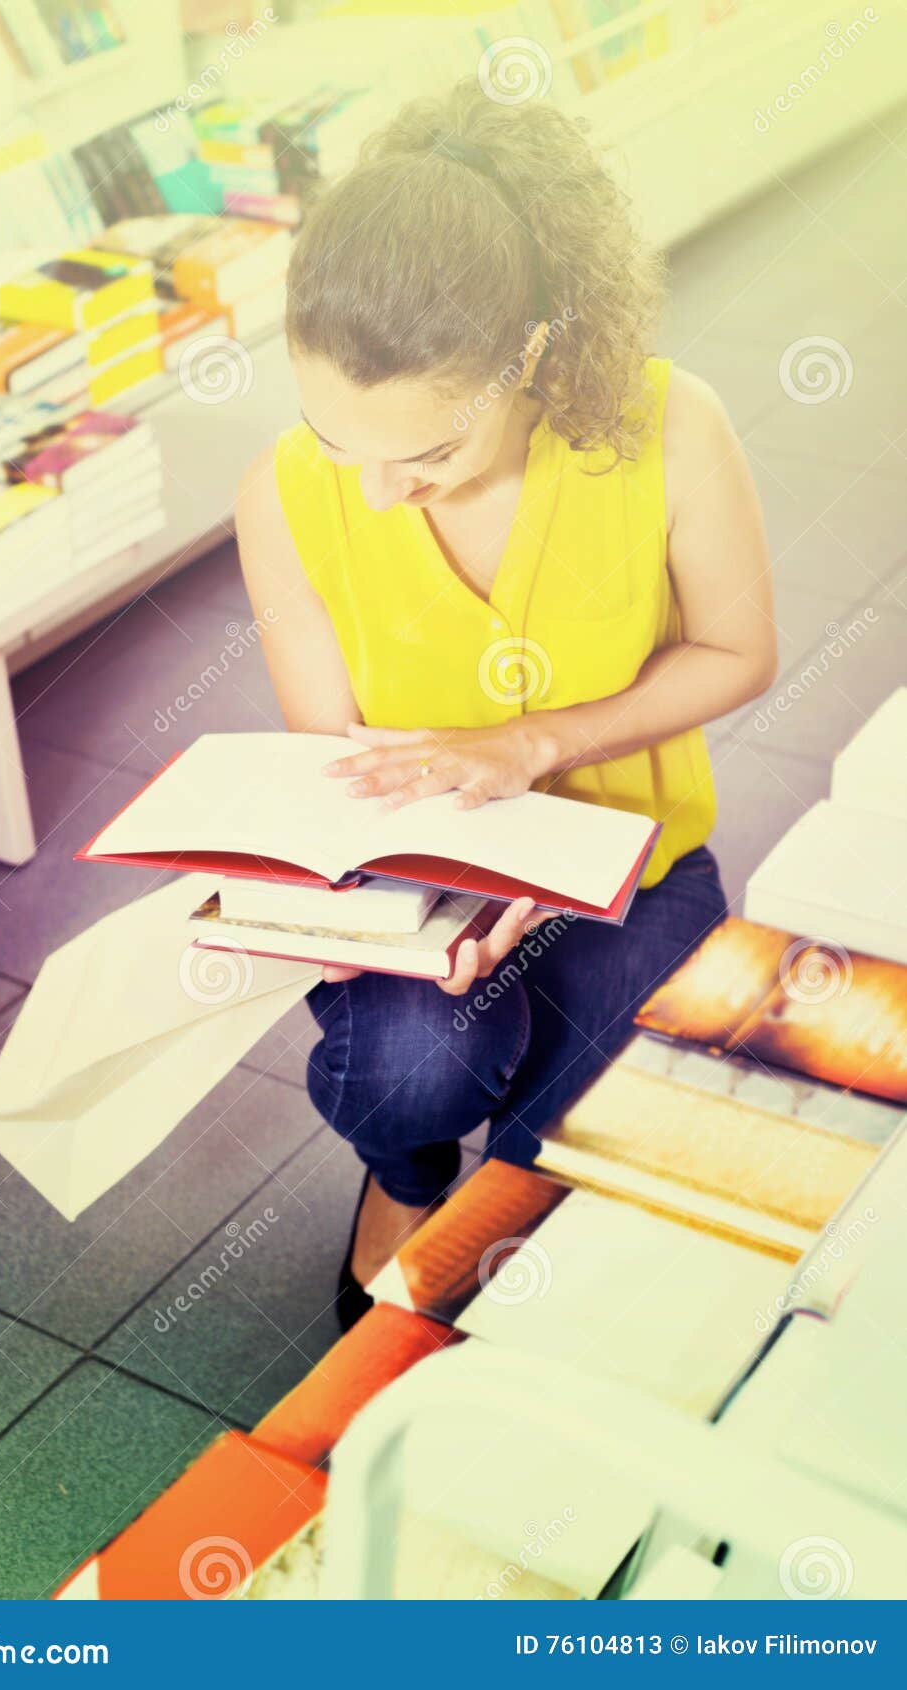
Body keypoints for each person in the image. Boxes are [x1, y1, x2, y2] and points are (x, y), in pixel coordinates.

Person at [236, 79, 774, 1328]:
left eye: (423, 456)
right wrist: (442, 882)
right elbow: (333, 758)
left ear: (529, 357)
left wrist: (536, 746)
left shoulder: (665, 426)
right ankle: (406, 1173)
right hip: (420, 880)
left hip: (637, 866)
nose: (373, 496)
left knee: (582, 1119)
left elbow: (736, 650)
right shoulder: (285, 494)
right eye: (338, 442)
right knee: (412, 1066)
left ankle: (521, 1186)